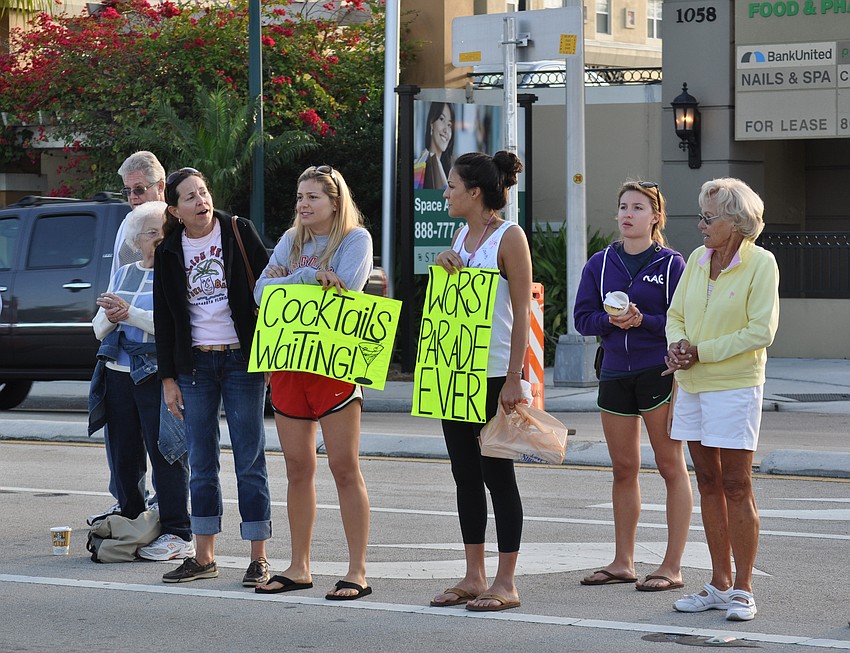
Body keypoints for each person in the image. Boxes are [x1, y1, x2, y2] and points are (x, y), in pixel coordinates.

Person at [253, 165, 374, 601]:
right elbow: (260, 292)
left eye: (312, 198)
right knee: (297, 468)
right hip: (288, 363)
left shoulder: (355, 239)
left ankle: (356, 570)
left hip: (334, 366)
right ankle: (299, 566)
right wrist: (305, 277)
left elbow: (346, 291)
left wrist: (288, 284)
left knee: (344, 467)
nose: (302, 205)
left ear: (335, 202)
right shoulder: (292, 239)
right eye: (299, 197)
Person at [665, 178, 779, 621]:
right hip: (692, 385)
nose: (700, 226)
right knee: (708, 482)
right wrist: (677, 345)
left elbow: (761, 331)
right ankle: (718, 583)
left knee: (735, 483)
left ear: (737, 221)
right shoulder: (696, 259)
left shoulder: (761, 263)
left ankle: (743, 589)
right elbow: (676, 315)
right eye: (701, 216)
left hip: (735, 385)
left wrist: (701, 351)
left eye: (709, 218)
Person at [153, 167, 272, 585]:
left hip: (242, 360)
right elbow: (165, 320)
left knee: (249, 459)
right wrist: (168, 379)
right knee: (201, 461)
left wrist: (274, 350)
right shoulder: (169, 250)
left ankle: (258, 556)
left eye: (204, 192)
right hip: (195, 367)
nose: (202, 201)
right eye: (190, 197)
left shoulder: (237, 230)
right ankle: (204, 557)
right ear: (175, 209)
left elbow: (274, 283)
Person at [574, 180, 692, 591]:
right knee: (624, 468)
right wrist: (611, 321)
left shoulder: (672, 263)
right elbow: (583, 318)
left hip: (657, 372)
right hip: (614, 373)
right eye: (623, 206)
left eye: (638, 208)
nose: (628, 214)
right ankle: (623, 561)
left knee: (669, 466)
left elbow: (683, 324)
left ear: (656, 217)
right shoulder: (600, 263)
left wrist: (645, 321)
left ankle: (671, 565)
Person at [429, 151, 532, 612]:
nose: (445, 193)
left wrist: (515, 378)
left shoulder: (510, 237)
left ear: (475, 192)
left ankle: (505, 581)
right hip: (455, 373)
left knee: (497, 475)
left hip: (493, 376)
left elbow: (523, 312)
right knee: (464, 476)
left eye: (451, 186)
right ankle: (474, 575)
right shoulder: (460, 234)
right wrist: (447, 263)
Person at [90, 201, 193, 560]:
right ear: (136, 240)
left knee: (167, 452)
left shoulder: (174, 273)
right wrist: (113, 317)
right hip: (117, 375)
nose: (160, 237)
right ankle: (131, 518)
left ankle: (179, 531)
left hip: (155, 375)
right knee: (124, 454)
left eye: (164, 230)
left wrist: (128, 313)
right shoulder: (124, 273)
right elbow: (99, 328)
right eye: (152, 232)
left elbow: (173, 327)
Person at [88, 151, 167, 525]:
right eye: (129, 191)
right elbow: (118, 285)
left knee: (165, 444)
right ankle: (126, 506)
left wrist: (128, 313)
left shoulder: (176, 225)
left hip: (160, 360)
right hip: (121, 351)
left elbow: (176, 317)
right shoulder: (127, 227)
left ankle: (171, 516)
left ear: (160, 186)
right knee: (122, 442)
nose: (134, 197)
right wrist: (111, 314)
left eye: (140, 189)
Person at [414, 102, 454, 190]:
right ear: (432, 123)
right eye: (442, 119)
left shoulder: (451, 171)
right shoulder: (418, 167)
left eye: (449, 125)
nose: (446, 130)